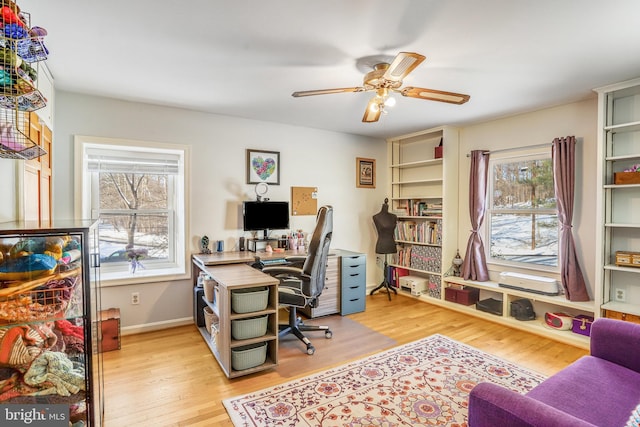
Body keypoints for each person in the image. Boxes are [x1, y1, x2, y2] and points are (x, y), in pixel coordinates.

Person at [371, 198, 398, 299]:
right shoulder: (376, 217)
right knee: (384, 265)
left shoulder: (394, 217)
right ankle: (384, 282)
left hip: (391, 244)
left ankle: (387, 282)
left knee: (387, 264)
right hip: (381, 244)